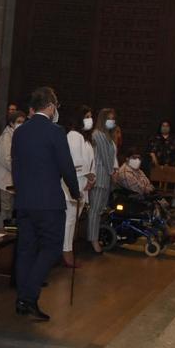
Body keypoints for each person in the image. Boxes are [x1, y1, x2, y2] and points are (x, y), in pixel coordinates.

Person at [11, 87, 81, 321]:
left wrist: (22, 193)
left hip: (25, 201)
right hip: (49, 202)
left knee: (26, 249)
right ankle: (28, 297)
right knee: (51, 248)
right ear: (50, 106)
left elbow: (16, 166)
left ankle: (22, 299)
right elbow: (66, 166)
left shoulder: (20, 132)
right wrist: (75, 190)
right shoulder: (55, 132)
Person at [63, 104, 96, 267]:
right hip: (73, 185)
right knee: (69, 220)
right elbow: (74, 161)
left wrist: (92, 177)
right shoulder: (73, 135)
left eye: (91, 116)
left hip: (83, 184)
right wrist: (87, 174)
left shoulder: (86, 139)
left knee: (74, 220)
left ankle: (68, 249)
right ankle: (66, 250)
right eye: (87, 116)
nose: (90, 119)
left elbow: (91, 162)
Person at [87, 107, 118, 253]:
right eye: (109, 118)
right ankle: (93, 240)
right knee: (95, 210)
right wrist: (112, 173)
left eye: (113, 118)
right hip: (99, 177)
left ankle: (95, 237)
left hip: (105, 177)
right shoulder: (98, 134)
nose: (112, 121)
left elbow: (112, 156)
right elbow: (106, 157)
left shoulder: (108, 137)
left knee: (99, 210)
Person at [0, 110, 25, 228]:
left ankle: (4, 242)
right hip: (2, 182)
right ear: (11, 123)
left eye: (23, 122)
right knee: (3, 213)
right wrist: (21, 172)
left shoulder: (16, 136)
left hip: (10, 183)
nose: (21, 124)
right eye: (18, 122)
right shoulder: (6, 137)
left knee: (9, 213)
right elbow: (7, 159)